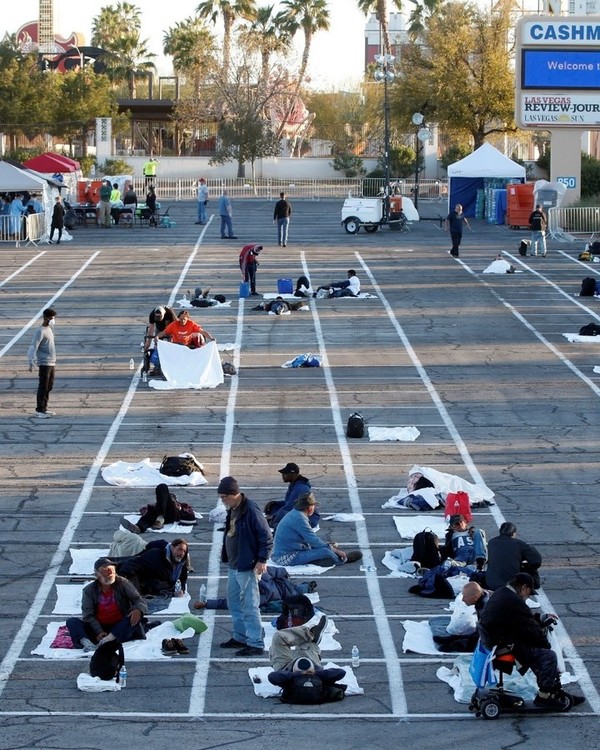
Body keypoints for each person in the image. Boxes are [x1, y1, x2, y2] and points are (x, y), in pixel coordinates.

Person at [478, 572, 584, 709]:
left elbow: (521, 617)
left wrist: (540, 617)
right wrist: (546, 646)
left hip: (497, 640)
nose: (529, 596)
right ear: (523, 587)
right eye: (529, 592)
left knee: (538, 651)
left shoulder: (502, 593)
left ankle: (554, 691)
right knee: (548, 656)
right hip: (504, 645)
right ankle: (544, 696)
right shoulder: (513, 600)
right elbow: (531, 629)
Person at [218, 475, 273, 656]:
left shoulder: (250, 511)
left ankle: (256, 642)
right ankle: (241, 636)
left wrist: (262, 560)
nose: (223, 500)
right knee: (234, 602)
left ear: (234, 494)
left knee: (250, 605)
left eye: (224, 497)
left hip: (247, 566)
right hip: (235, 565)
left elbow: (266, 536)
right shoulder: (234, 509)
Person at [66, 557, 147, 652]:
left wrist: (138, 609)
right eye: (105, 570)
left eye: (112, 569)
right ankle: (87, 643)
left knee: (132, 618)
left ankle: (108, 640)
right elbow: (88, 615)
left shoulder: (123, 583)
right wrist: (99, 631)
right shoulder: (89, 590)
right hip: (99, 627)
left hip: (120, 626)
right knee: (72, 622)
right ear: (97, 574)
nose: (110, 573)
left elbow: (139, 601)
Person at [268, 618, 347, 704]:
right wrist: (314, 673)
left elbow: (272, 676)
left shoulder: (288, 681)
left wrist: (297, 674)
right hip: (313, 665)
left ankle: (309, 634)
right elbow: (341, 672)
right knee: (308, 643)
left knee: (278, 637)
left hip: (286, 667)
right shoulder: (319, 676)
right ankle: (311, 635)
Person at [271, 492, 362, 567]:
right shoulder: (299, 519)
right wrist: (334, 550)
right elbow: (313, 540)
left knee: (323, 547)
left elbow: (309, 539)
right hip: (286, 557)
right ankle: (342, 560)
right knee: (325, 551)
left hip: (289, 551)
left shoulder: (296, 514)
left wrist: (326, 545)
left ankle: (319, 558)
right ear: (310, 508)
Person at [192, 564, 316, 613]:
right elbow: (230, 602)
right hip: (287, 592)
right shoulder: (254, 593)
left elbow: (277, 571)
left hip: (286, 587)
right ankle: (307, 586)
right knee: (299, 590)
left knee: (299, 589)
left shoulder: (260, 574)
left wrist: (284, 574)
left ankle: (308, 586)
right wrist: (207, 604)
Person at [118, 538, 190, 604]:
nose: (182, 553)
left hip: (152, 586)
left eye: (184, 551)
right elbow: (134, 563)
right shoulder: (157, 556)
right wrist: (122, 577)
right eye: (180, 549)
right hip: (137, 580)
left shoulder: (181, 564)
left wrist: (182, 589)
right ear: (172, 547)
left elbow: (183, 579)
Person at [485, 522, 542, 591]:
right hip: (511, 583)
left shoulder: (491, 542)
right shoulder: (519, 544)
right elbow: (537, 560)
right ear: (513, 533)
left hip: (490, 583)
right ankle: (532, 585)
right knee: (529, 567)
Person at [120, 483, 196, 534]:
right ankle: (138, 528)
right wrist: (152, 507)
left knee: (162, 487)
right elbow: (144, 511)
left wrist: (179, 508)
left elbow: (190, 516)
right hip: (158, 513)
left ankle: (160, 519)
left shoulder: (178, 505)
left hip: (170, 514)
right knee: (151, 513)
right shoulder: (158, 505)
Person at [265, 462, 319, 530]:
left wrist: (272, 518)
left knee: (282, 514)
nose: (283, 476)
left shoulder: (299, 488)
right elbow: (289, 502)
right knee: (274, 507)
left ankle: (274, 525)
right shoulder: (294, 484)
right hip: (298, 510)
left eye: (285, 474)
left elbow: (289, 507)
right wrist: (275, 503)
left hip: (309, 519)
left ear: (293, 474)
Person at [28, 307, 57, 418]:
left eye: (53, 318)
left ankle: (44, 408)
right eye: (51, 318)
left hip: (51, 363)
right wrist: (31, 361)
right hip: (44, 363)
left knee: (49, 386)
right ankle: (39, 410)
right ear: (45, 317)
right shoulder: (40, 331)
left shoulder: (49, 329)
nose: (53, 320)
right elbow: (33, 346)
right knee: (43, 386)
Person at [143, 305, 176, 374]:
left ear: (163, 314)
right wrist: (148, 343)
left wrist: (173, 340)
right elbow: (151, 329)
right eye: (156, 317)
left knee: (170, 347)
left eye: (159, 316)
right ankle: (157, 366)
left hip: (170, 328)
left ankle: (169, 366)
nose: (157, 317)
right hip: (159, 329)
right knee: (157, 345)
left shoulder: (170, 313)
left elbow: (175, 326)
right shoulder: (152, 314)